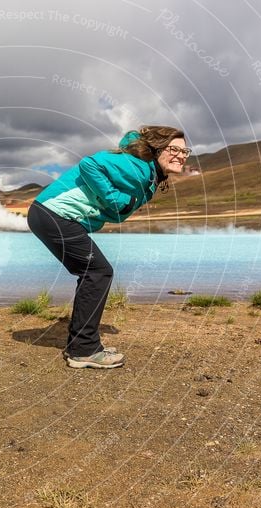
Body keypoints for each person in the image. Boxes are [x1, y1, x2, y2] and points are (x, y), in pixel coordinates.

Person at [27, 126, 189, 369]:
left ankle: (83, 346)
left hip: (52, 216)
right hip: (55, 215)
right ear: (156, 150)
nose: (182, 155)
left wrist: (118, 204)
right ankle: (83, 350)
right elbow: (89, 164)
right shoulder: (138, 167)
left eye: (185, 151)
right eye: (174, 149)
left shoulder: (148, 174)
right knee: (97, 272)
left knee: (93, 272)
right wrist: (117, 200)